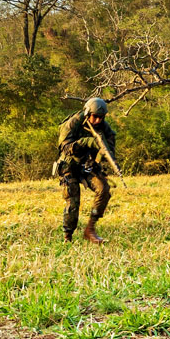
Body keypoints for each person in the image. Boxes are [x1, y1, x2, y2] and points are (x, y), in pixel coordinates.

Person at [55, 98, 116, 244]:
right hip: (69, 164)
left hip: (88, 165)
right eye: (94, 116)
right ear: (88, 113)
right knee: (73, 199)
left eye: (101, 117)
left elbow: (110, 149)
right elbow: (64, 147)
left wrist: (103, 153)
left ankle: (90, 229)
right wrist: (86, 141)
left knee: (104, 189)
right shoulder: (73, 123)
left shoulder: (105, 128)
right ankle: (67, 236)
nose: (97, 120)